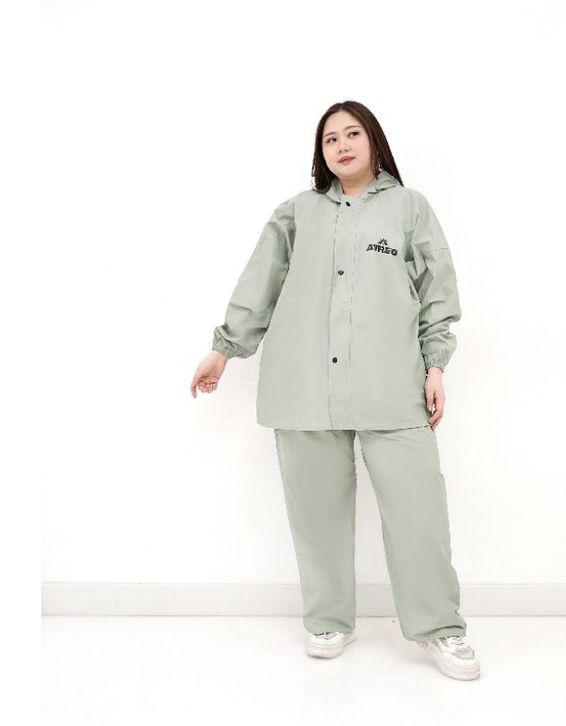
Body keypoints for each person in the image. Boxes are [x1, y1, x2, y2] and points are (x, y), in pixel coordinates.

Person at [190, 100, 480, 680]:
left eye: (352, 134)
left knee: (419, 513)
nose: (342, 145)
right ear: (320, 153)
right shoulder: (297, 213)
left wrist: (435, 365)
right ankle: (329, 619)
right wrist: (224, 349)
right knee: (316, 515)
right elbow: (260, 282)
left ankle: (439, 627)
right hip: (304, 384)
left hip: (391, 385)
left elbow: (437, 291)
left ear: (374, 141)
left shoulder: (409, 208)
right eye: (330, 139)